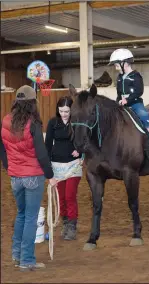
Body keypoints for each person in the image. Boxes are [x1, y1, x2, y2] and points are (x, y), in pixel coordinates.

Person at [1, 85, 57, 271]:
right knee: (30, 217)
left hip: (15, 177)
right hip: (33, 176)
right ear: (33, 103)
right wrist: (50, 175)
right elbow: (41, 154)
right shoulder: (33, 124)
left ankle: (17, 255)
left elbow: (2, 150)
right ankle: (27, 260)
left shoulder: (6, 121)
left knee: (21, 214)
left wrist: (10, 167)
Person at [45, 96, 82, 241]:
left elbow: (85, 140)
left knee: (70, 195)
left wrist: (80, 150)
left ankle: (72, 226)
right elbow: (47, 144)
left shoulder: (77, 123)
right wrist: (48, 168)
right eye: (61, 111)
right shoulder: (53, 123)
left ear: (71, 110)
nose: (64, 114)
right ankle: (65, 223)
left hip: (73, 165)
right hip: (57, 166)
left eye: (67, 111)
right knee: (61, 197)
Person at [108, 48, 149, 150]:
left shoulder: (136, 76)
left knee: (143, 114)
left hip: (135, 103)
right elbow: (119, 92)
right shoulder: (119, 77)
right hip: (122, 103)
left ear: (125, 63)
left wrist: (128, 100)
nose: (116, 67)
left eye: (117, 65)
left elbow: (139, 91)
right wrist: (118, 100)